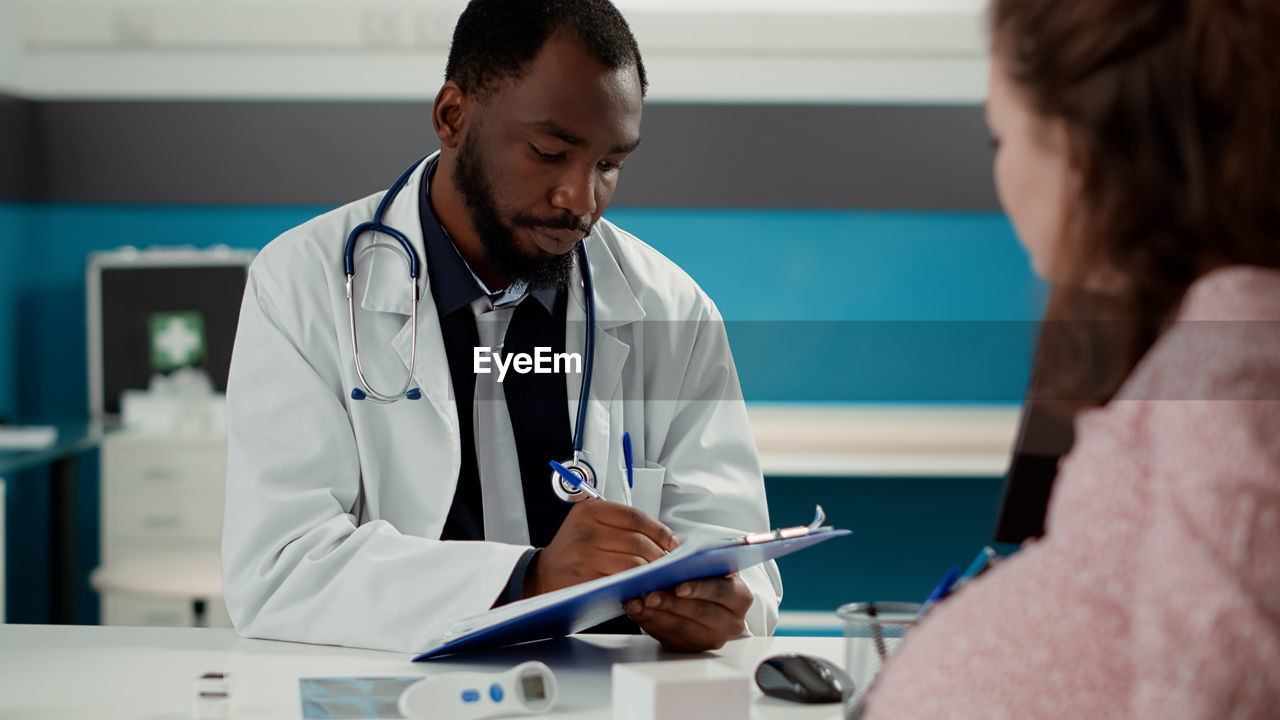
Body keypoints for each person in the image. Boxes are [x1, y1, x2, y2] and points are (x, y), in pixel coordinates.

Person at [221, 0, 781, 655]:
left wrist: (720, 604)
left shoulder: (672, 309)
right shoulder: (305, 283)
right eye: (550, 153)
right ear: (452, 116)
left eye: (609, 164)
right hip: (402, 685)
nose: (580, 200)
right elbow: (282, 567)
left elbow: (745, 571)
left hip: (611, 690)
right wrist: (530, 579)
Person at [867, 0, 1280, 717]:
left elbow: (1230, 690)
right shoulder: (1193, 335)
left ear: (1075, 150)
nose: (1003, 178)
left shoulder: (1233, 353)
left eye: (1001, 140)